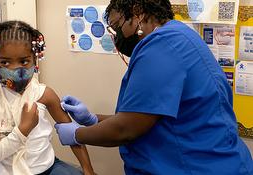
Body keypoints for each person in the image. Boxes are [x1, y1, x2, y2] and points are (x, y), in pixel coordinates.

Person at [54, 0, 253, 174]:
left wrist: (76, 134)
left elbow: (126, 128)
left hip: (193, 166)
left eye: (117, 26)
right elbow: (147, 115)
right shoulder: (181, 36)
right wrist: (92, 119)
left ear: (138, 12)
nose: (116, 37)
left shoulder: (162, 47)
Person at [0, 21, 94, 175]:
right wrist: (22, 131)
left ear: (35, 60)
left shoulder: (44, 94)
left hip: (49, 167)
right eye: (5, 62)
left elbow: (72, 135)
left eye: (24, 61)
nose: (15, 69)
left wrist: (88, 170)